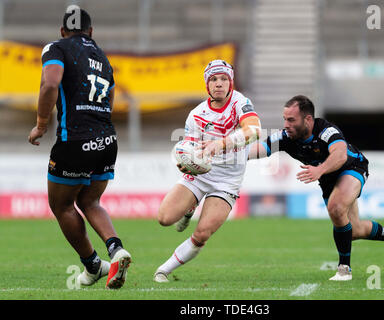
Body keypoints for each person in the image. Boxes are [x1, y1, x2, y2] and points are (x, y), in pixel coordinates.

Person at [248, 95, 384, 281]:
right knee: (354, 231)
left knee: (336, 208)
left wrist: (320, 169)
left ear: (307, 119)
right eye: (284, 119)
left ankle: (344, 269)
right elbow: (261, 148)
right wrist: (229, 154)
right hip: (328, 179)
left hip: (352, 167)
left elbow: (340, 155)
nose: (286, 124)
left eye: (291, 120)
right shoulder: (286, 136)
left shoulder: (326, 131)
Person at [27, 6, 131, 289]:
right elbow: (109, 96)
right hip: (107, 139)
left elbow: (50, 84)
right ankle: (115, 249)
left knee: (61, 205)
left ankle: (93, 265)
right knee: (90, 201)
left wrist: (40, 124)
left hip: (74, 140)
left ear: (62, 31)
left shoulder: (56, 47)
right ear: (91, 32)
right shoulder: (103, 57)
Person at [153, 60, 261, 282]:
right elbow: (189, 149)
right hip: (201, 175)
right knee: (164, 218)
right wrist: (185, 162)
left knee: (202, 234)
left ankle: (163, 270)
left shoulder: (240, 102)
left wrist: (219, 144)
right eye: (213, 79)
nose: (219, 84)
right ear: (207, 85)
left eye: (224, 79)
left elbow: (255, 131)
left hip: (228, 180)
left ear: (230, 82)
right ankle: (190, 207)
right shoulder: (196, 114)